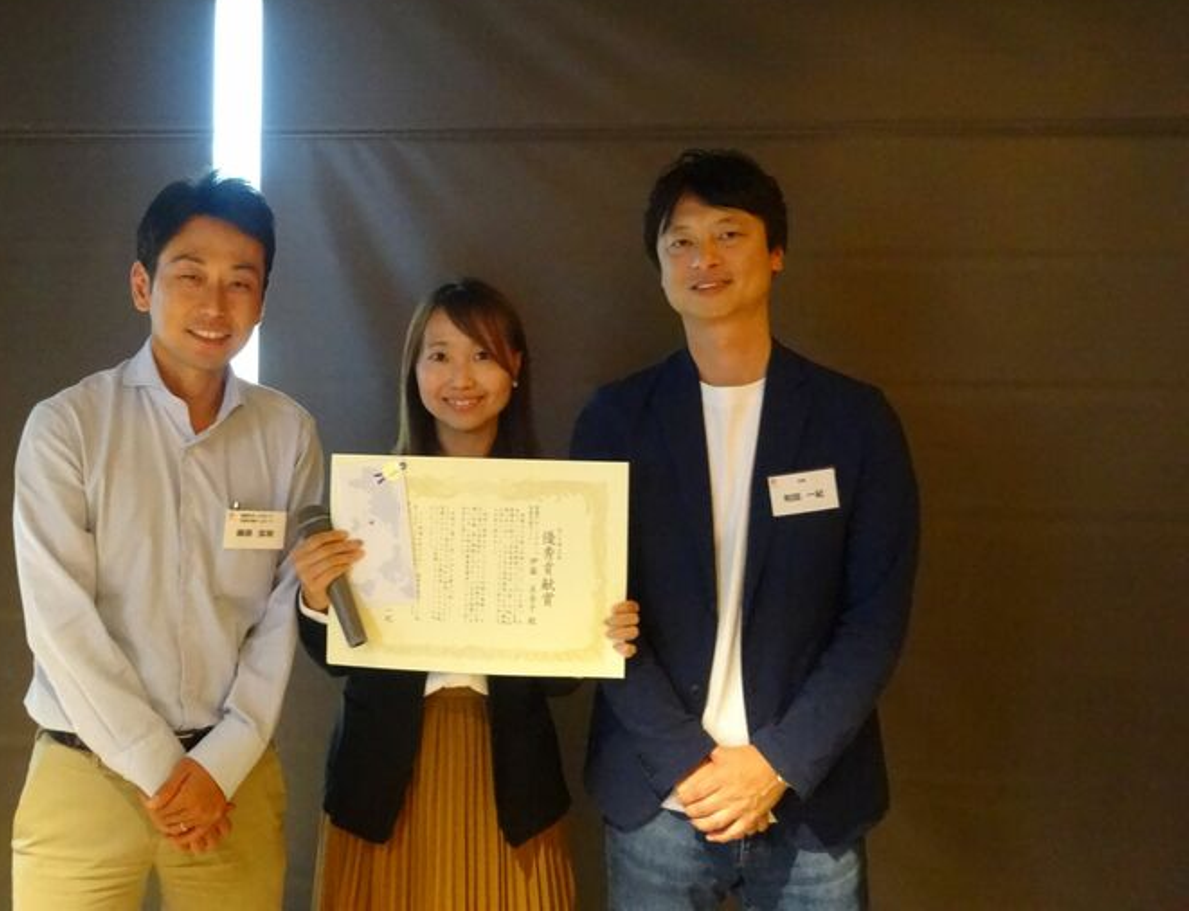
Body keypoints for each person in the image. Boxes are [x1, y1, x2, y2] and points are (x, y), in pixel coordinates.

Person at [571, 150, 918, 909]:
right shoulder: (614, 420)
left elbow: (874, 622)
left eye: (729, 234)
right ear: (660, 266)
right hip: (659, 796)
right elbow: (593, 613)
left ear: (776, 251)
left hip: (809, 797)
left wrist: (775, 764)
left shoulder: (854, 421)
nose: (704, 258)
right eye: (681, 241)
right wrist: (687, 762)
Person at [10, 172, 323, 910]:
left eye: (240, 282)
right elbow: (60, 621)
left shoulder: (288, 433)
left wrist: (219, 764)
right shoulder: (67, 427)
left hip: (231, 781)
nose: (215, 304)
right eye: (190, 275)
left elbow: (283, 614)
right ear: (142, 285)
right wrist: (162, 770)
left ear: (262, 301)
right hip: (86, 775)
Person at [292, 278, 641, 911]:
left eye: (483, 354)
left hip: (510, 774)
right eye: (440, 355)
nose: (461, 377)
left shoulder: (559, 505)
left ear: (515, 368)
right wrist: (316, 599)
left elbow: (562, 682)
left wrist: (602, 629)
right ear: (414, 372)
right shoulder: (369, 496)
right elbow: (336, 658)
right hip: (382, 775)